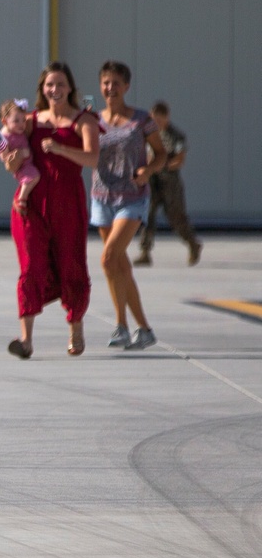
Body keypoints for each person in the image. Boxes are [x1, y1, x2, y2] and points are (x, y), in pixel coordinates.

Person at [0, 61, 100, 359]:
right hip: (30, 203)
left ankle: (75, 327)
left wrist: (60, 149)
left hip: (67, 203)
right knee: (31, 266)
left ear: (70, 88)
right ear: (42, 90)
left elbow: (93, 158)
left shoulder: (84, 121)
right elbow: (9, 152)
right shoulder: (30, 121)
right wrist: (11, 161)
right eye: (49, 85)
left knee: (71, 264)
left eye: (60, 84)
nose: (55, 90)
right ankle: (26, 340)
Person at [92, 61, 168, 350]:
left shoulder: (141, 119)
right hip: (101, 198)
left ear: (126, 87)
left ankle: (121, 325)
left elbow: (161, 153)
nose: (110, 88)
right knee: (120, 265)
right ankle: (142, 329)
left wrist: (148, 171)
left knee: (109, 258)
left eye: (116, 83)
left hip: (132, 199)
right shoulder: (94, 120)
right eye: (105, 83)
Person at [135, 101, 203, 267]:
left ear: (167, 118)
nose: (155, 123)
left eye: (158, 119)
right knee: (146, 214)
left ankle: (192, 243)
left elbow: (179, 160)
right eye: (153, 119)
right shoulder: (149, 134)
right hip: (152, 181)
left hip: (169, 182)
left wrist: (162, 165)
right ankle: (145, 251)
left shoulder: (176, 136)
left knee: (175, 216)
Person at [0, 98, 40, 215]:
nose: (21, 124)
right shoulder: (3, 137)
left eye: (23, 120)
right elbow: (5, 158)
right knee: (34, 176)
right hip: (22, 166)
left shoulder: (19, 132)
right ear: (4, 121)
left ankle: (24, 196)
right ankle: (21, 198)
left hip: (28, 163)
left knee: (33, 177)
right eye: (16, 121)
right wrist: (20, 153)